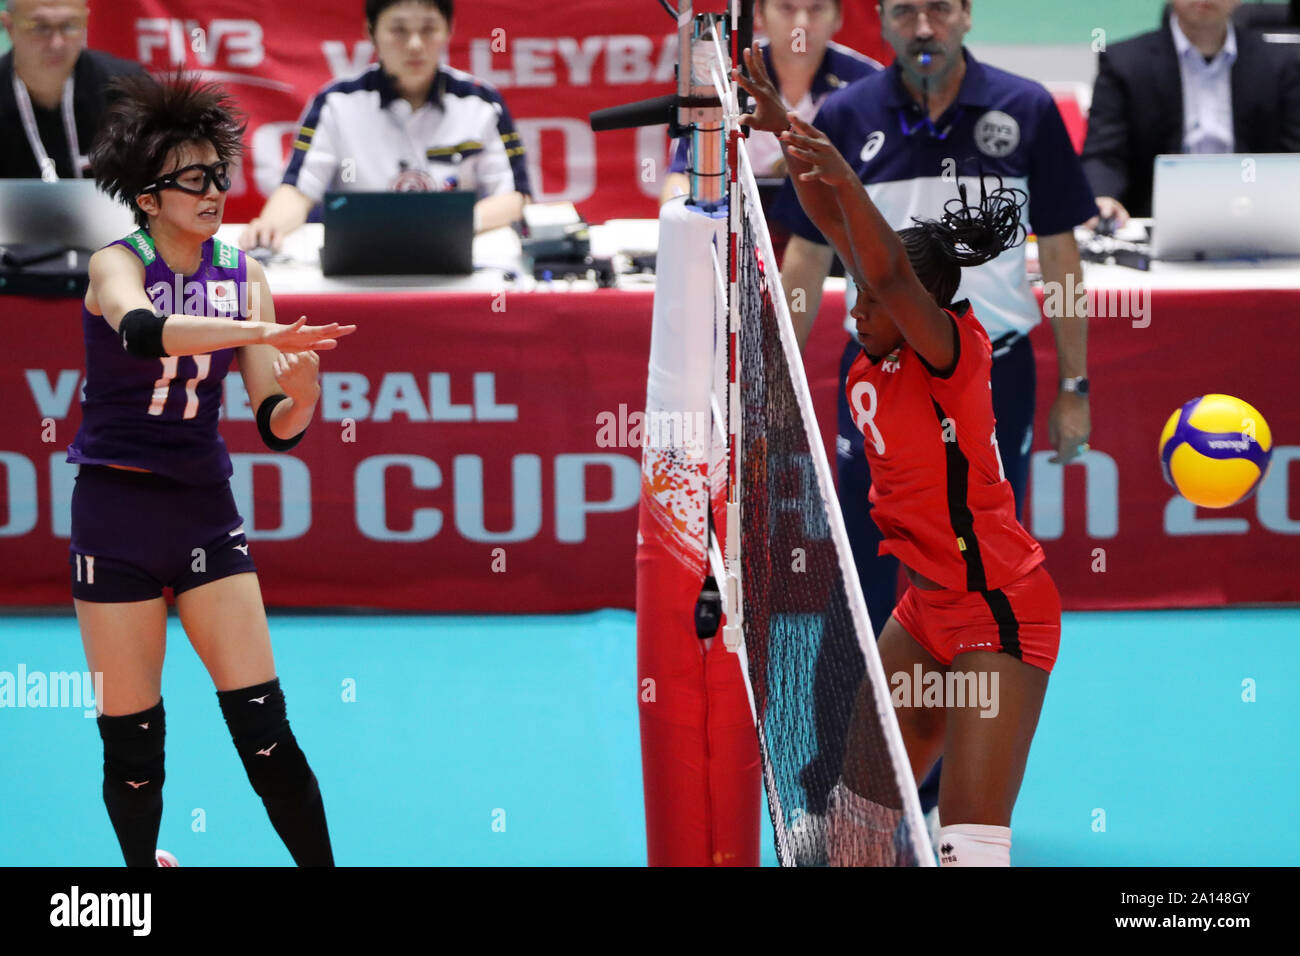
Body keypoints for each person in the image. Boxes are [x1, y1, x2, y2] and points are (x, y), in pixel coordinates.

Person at [769, 0, 1094, 830]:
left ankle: (965, 771)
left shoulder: (942, 348)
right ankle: (844, 800)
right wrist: (786, 133)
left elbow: (888, 263)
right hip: (930, 608)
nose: (854, 305)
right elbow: (832, 238)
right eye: (905, 9)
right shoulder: (872, 354)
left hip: (994, 599)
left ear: (965, 17)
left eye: (939, 8)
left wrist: (1075, 384)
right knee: (861, 594)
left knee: (971, 838)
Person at [72, 71, 355, 866]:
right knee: (133, 751)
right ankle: (138, 886)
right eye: (191, 179)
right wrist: (244, 330)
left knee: (266, 732)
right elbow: (143, 332)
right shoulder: (113, 264)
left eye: (218, 174)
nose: (213, 191)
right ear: (149, 196)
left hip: (203, 511)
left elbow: (276, 424)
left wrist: (300, 395)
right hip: (115, 513)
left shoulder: (245, 274)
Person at [240, 0, 530, 252]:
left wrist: (450, 226)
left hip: (459, 255)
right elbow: (299, 190)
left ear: (448, 29)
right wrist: (269, 226)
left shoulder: (481, 102)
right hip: (357, 263)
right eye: (399, 30)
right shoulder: (337, 103)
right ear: (371, 32)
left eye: (428, 29)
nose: (415, 44)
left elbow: (516, 197)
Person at [1081, 0, 1300, 225]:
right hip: (1154, 220)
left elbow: (1293, 154)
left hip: (1259, 218)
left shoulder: (1281, 64)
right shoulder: (1124, 63)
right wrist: (1103, 197)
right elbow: (1105, 154)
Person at [659, 0, 881, 205]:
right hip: (731, 237)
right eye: (787, 8)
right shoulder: (719, 77)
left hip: (837, 239)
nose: (801, 24)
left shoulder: (869, 84)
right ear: (760, 16)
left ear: (838, 17)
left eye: (816, 9)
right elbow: (678, 178)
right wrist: (680, 217)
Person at [0, 0, 142, 180]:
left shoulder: (127, 89)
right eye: (40, 27)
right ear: (8, 26)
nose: (56, 43)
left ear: (86, 21)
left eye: (70, 25)